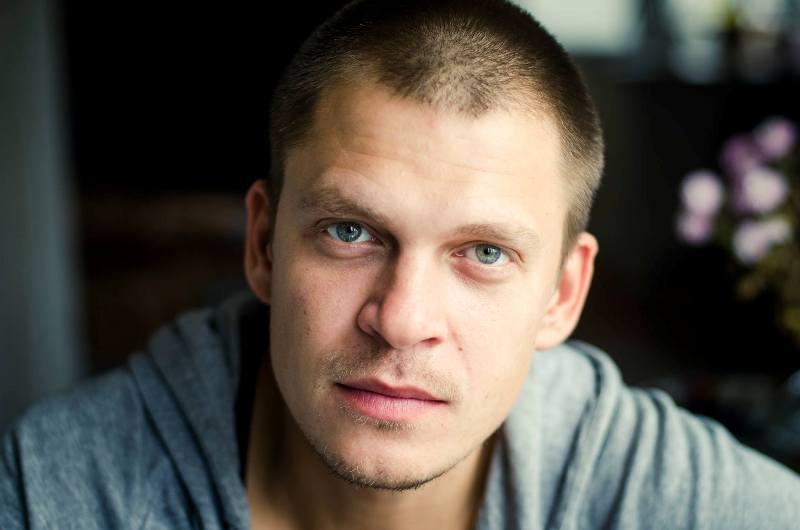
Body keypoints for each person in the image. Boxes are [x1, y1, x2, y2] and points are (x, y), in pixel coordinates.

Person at [2, 0, 800, 528]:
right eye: (351, 232)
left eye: (484, 252)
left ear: (562, 294)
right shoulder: (61, 490)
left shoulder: (645, 486)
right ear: (263, 246)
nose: (402, 320)